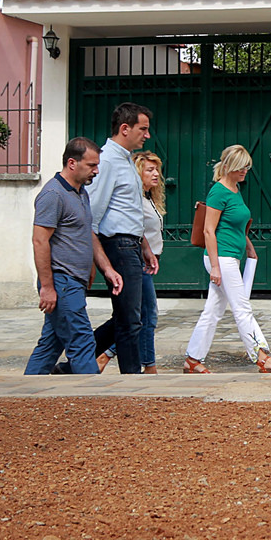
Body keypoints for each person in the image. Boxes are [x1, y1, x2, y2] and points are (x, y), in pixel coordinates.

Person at [184, 144, 271, 374]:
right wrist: (214, 266)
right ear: (229, 166)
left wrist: (249, 247)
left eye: (247, 168)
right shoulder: (218, 192)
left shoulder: (234, 189)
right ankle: (261, 355)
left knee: (213, 310)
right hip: (221, 258)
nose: (245, 172)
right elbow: (209, 231)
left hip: (230, 257)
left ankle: (193, 359)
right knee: (241, 308)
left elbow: (236, 225)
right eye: (241, 167)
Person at [26, 137, 124, 375]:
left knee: (52, 343)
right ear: (72, 163)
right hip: (62, 281)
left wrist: (105, 269)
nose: (96, 171)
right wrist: (47, 287)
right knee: (82, 341)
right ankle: (91, 396)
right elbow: (40, 241)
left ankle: (25, 392)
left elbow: (87, 232)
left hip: (73, 281)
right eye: (91, 165)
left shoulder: (80, 193)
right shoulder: (53, 194)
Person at [89, 102, 158, 375]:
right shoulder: (106, 161)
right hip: (117, 244)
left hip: (131, 244)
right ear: (125, 128)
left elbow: (128, 210)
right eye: (143, 129)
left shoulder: (126, 160)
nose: (147, 135)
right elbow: (93, 215)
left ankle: (78, 359)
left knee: (130, 316)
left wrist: (145, 246)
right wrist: (102, 262)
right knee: (130, 319)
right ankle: (131, 378)